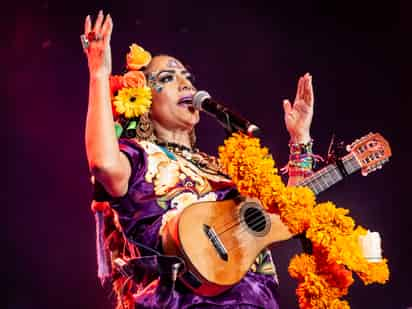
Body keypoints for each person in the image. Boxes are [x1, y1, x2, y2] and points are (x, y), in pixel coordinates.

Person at [83, 10, 315, 309]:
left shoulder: (224, 169)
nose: (186, 85)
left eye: (188, 77)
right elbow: (102, 163)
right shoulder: (139, 156)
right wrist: (99, 75)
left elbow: (286, 216)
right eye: (168, 78)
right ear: (142, 99)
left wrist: (301, 139)